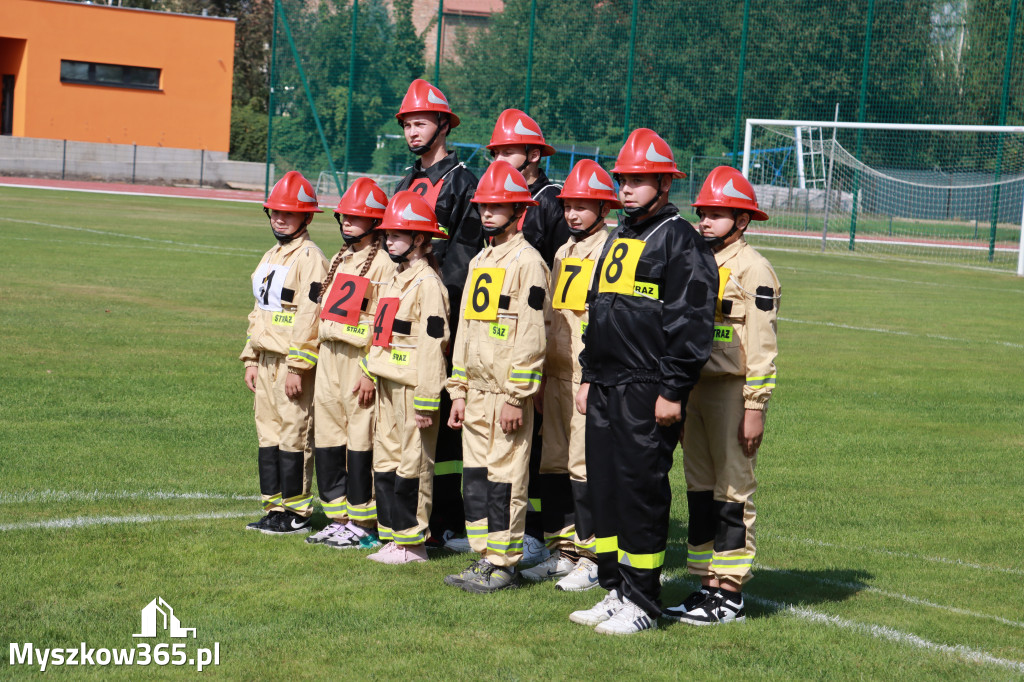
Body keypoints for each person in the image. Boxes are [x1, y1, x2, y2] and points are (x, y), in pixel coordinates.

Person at [569, 129, 718, 635]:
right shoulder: (620, 235)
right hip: (607, 385)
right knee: (606, 489)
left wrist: (672, 390)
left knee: (640, 491)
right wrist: (589, 374)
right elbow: (598, 310)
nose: (627, 189)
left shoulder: (681, 240)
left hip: (647, 388)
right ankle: (614, 589)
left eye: (638, 180)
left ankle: (643, 602)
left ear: (663, 183)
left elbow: (692, 323)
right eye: (623, 180)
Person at [663, 166, 780, 625]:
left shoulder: (755, 270)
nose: (706, 222)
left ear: (743, 221)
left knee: (732, 492)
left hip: (731, 392)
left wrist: (755, 408)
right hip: (696, 390)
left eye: (718, 215)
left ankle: (729, 593)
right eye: (703, 214)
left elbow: (763, 345)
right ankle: (706, 584)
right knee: (699, 490)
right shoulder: (698, 260)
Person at [444, 161, 550, 593]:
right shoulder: (480, 260)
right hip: (476, 392)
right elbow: (466, 329)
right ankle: (484, 556)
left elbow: (532, 334)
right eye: (484, 206)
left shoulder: (529, 262)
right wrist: (458, 390)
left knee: (506, 478)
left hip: (506, 393)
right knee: (478, 477)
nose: (487, 213)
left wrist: (517, 395)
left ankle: (503, 562)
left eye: (498, 206)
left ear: (518, 211)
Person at [520, 159, 619, 591]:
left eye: (583, 206)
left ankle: (594, 556)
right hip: (556, 374)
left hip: (585, 377)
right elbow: (551, 317)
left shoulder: (610, 250)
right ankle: (563, 551)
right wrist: (540, 372)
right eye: (568, 206)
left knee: (584, 466)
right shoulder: (562, 252)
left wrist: (592, 377)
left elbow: (606, 321)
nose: (572, 214)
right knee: (554, 463)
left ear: (603, 208)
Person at [393, 79, 482, 546]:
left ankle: (448, 520)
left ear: (444, 125)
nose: (412, 131)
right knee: (407, 420)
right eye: (407, 124)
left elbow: (465, 257)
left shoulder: (465, 181)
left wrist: (439, 309)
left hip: (440, 317)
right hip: (401, 321)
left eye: (420, 122)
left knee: (445, 423)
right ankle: (407, 514)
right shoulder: (406, 182)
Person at [486, 108, 569, 564]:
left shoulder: (554, 200)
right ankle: (510, 529)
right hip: (500, 338)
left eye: (508, 150)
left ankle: (537, 531)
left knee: (538, 444)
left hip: (538, 338)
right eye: (495, 150)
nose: (499, 156)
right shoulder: (496, 197)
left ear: (533, 154)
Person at [358, 191, 451, 564]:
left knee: (413, 463)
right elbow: (383, 333)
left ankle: (413, 544)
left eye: (398, 234)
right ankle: (394, 535)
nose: (389, 240)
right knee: (388, 459)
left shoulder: (427, 284)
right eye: (387, 234)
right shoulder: (396, 278)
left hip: (414, 388)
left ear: (420, 239)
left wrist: (428, 397)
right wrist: (369, 369)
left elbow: (432, 346)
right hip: (387, 383)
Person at [305, 178, 394, 550]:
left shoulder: (386, 263)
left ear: (376, 222)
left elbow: (385, 321)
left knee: (360, 441)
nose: (348, 223)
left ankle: (362, 521)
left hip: (358, 360)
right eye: (345, 216)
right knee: (327, 439)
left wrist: (371, 369)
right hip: (328, 357)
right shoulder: (341, 256)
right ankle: (337, 517)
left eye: (358, 218)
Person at [241, 171, 328, 535]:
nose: (279, 218)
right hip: (266, 361)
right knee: (268, 435)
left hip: (291, 365)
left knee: (294, 435)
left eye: (288, 213)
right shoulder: (272, 254)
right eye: (275, 212)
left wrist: (298, 366)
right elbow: (259, 309)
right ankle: (273, 507)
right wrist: (250, 356)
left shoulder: (310, 257)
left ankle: (296, 512)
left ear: (306, 217)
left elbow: (310, 318)